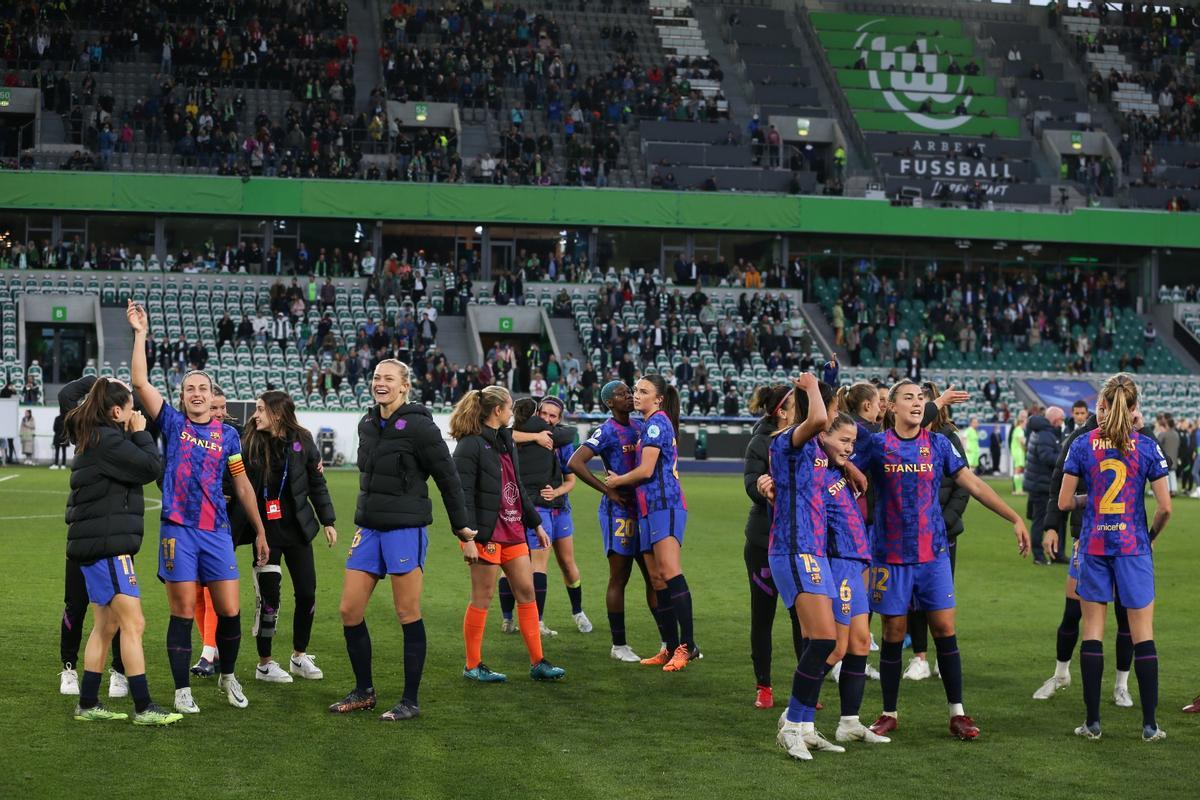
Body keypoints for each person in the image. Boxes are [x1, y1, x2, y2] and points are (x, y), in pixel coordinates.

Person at [862, 379, 1031, 741]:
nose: (916, 403)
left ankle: (958, 713)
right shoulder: (876, 446)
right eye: (907, 398)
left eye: (920, 398)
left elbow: (976, 485)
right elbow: (844, 470)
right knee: (892, 631)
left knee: (944, 629)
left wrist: (1014, 517)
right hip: (889, 555)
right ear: (890, 407)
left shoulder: (939, 444)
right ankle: (889, 712)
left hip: (932, 554)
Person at [127, 299, 269, 714]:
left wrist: (259, 531)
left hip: (217, 532)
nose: (196, 393)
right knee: (184, 610)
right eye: (189, 388)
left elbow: (242, 484)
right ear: (182, 396)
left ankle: (228, 676)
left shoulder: (228, 436)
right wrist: (141, 334)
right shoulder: (172, 423)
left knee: (229, 608)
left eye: (202, 388)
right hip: (178, 530)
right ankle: (181, 690)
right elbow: (139, 383)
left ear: (212, 396)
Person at [329, 360, 476, 720]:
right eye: (377, 377)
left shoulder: (420, 427)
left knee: (406, 612)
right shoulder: (366, 423)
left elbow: (448, 479)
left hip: (405, 529)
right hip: (368, 527)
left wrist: (463, 530)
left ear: (404, 386)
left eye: (388, 379)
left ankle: (410, 700)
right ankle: (364, 691)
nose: (380, 383)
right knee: (349, 611)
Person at [1054, 373, 1171, 742]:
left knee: (1092, 632)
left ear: (1100, 407)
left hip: (1093, 546)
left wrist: (1091, 502)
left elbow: (1062, 502)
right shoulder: (1148, 446)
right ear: (1134, 408)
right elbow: (1166, 508)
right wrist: (1149, 535)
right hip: (1133, 546)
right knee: (1143, 634)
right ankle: (1150, 726)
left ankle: (1092, 723)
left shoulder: (1083, 444)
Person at [64, 377, 182, 725]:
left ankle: (88, 702)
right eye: (131, 407)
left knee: (107, 625)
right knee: (135, 623)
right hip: (107, 547)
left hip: (99, 545)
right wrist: (142, 432)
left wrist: (131, 432)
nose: (136, 413)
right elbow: (150, 467)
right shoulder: (107, 440)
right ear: (116, 411)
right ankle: (144, 707)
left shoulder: (99, 436)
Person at [450, 386, 566, 684]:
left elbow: (516, 488)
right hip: (487, 536)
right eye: (510, 407)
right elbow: (460, 495)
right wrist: (467, 538)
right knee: (482, 597)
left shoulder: (506, 442)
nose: (513, 412)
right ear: (497, 410)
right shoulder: (469, 445)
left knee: (526, 592)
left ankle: (538, 662)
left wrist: (536, 523)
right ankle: (472, 664)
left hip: (514, 532)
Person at [759, 375, 844, 760]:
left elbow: (832, 421)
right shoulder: (787, 440)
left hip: (813, 550)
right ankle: (792, 724)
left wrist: (828, 382)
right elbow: (822, 420)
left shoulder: (813, 446)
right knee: (824, 641)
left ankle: (805, 725)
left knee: (826, 643)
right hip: (794, 549)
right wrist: (810, 387)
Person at [1032, 404, 1137, 707]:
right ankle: (1061, 673)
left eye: (1113, 407)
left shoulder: (1135, 437)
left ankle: (1121, 684)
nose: (1106, 413)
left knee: (1124, 614)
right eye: (1102, 407)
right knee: (1073, 611)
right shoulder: (1081, 437)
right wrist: (1052, 527)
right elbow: (1058, 483)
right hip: (1087, 537)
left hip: (1125, 541)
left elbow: (1163, 463)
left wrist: (1140, 428)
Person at [236, 391, 338, 685]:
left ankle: (299, 655)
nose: (255, 415)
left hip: (297, 532)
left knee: (307, 593)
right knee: (268, 600)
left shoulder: (303, 440)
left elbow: (317, 482)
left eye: (259, 410)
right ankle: (265, 663)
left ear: (277, 414)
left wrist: (328, 520)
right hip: (264, 534)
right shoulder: (250, 441)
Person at [606, 374, 699, 672]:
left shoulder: (657, 422)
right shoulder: (649, 424)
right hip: (647, 509)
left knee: (670, 572)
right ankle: (670, 647)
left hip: (664, 505)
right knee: (657, 579)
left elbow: (646, 470)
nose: (636, 395)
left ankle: (687, 645)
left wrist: (616, 481)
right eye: (635, 390)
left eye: (643, 391)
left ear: (658, 398)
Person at [567, 381, 659, 663]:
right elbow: (575, 462)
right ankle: (619, 645)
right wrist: (607, 489)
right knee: (620, 577)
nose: (629, 396)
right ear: (609, 403)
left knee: (655, 578)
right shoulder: (606, 430)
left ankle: (670, 642)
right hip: (618, 512)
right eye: (621, 394)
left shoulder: (641, 426)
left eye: (629, 392)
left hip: (643, 510)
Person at [819, 413, 890, 744]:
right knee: (835, 648)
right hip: (837, 562)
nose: (850, 447)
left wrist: (849, 464)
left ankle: (849, 723)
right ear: (822, 435)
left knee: (860, 643)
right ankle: (794, 714)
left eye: (851, 441)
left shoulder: (838, 465)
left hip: (856, 561)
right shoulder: (816, 465)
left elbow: (861, 439)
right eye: (842, 441)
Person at [56, 375, 128, 699]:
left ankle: (119, 671)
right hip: (84, 531)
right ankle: (69, 669)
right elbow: (66, 394)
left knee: (117, 606)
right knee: (76, 604)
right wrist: (98, 380)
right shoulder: (84, 431)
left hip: (115, 531)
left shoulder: (126, 430)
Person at [740, 385, 805, 709]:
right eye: (795, 404)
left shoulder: (807, 439)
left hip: (798, 541)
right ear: (782, 411)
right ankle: (763, 686)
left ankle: (805, 686)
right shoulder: (760, 442)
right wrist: (762, 488)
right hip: (764, 540)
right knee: (763, 616)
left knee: (802, 616)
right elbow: (751, 483)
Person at [903, 383, 972, 681]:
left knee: (941, 597)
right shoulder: (902, 440)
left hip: (944, 532)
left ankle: (944, 656)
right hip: (910, 534)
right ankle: (920, 657)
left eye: (926, 401)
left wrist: (944, 520)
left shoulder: (947, 438)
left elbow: (964, 486)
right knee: (912, 598)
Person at [506, 397, 590, 636]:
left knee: (567, 563)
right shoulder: (522, 433)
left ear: (559, 419)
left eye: (553, 416)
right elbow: (508, 434)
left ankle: (577, 611)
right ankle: (531, 620)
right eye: (544, 413)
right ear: (537, 412)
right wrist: (535, 436)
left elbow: (571, 481)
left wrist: (556, 491)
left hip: (560, 507)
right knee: (528, 563)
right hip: (536, 508)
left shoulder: (561, 442)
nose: (547, 419)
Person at [1025, 406, 1064, 566]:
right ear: (1055, 419)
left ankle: (1051, 554)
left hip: (1037, 482)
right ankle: (1038, 555)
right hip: (1041, 485)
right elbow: (1047, 457)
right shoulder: (1046, 434)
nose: (1062, 423)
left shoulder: (1039, 431)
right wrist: (1064, 457)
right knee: (1040, 520)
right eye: (1061, 419)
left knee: (1039, 519)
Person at [1010, 410, 1028, 495]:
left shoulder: (1017, 429)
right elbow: (1022, 442)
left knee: (1020, 470)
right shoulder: (1019, 430)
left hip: (1018, 452)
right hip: (1018, 452)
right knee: (1018, 470)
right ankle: (1017, 490)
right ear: (1022, 422)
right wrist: (1026, 448)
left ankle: (1019, 489)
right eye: (1025, 422)